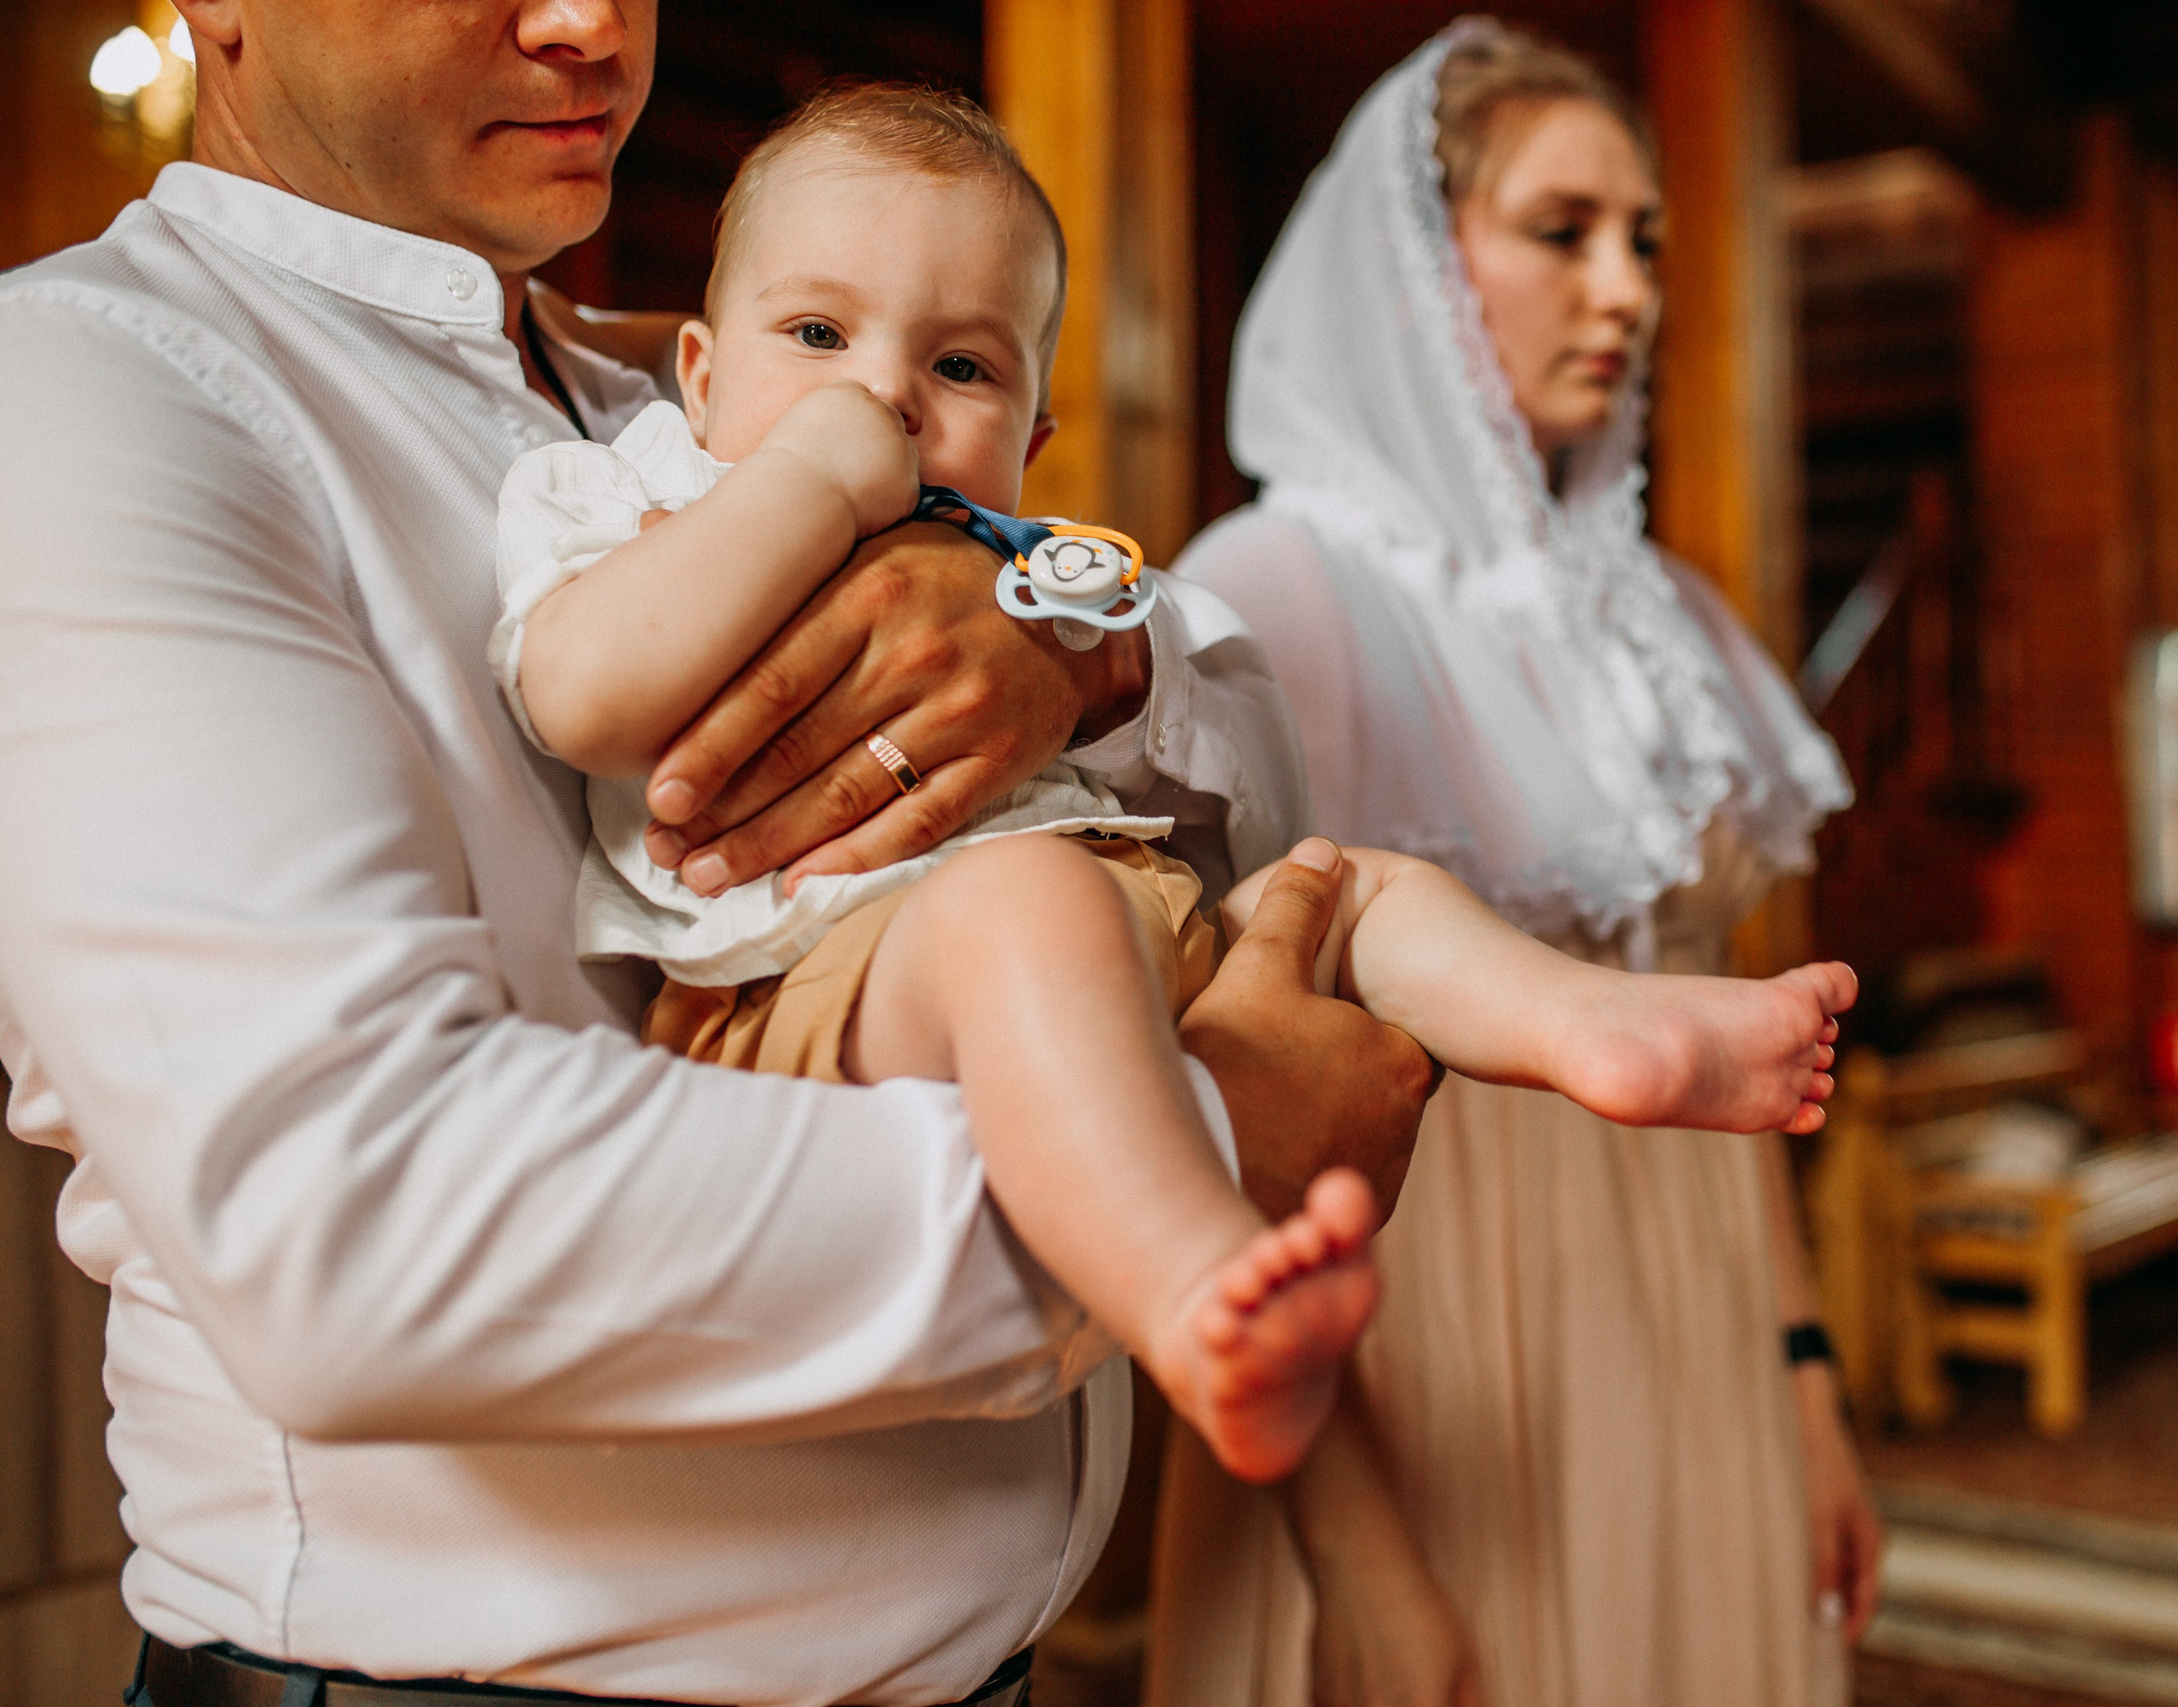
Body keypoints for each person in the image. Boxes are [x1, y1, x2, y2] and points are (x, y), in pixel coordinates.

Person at [0, 3, 1438, 1704]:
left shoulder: (744, 382)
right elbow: (356, 1223)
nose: (592, 22)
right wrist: (1201, 1146)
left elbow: (1264, 788)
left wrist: (1086, 659)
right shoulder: (86, 392)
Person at [496, 82, 1858, 1486]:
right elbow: (587, 694)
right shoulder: (635, 497)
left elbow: (1241, 757)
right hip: (809, 987)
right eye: (820, 335)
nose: (883, 395)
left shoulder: (1041, 580)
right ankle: (1197, 1289)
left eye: (962, 369)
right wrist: (816, 479)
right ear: (703, 377)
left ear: (1030, 443)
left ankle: (1597, 1032)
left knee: (1354, 889)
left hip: (1122, 928)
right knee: (1027, 907)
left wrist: (1078, 644)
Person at [1147, 21, 1882, 1707]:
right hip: (1424, 1350)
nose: (1624, 290)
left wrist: (1804, 1380)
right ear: (1414, 268)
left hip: (1692, 1323)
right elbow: (1221, 1127)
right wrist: (1358, 1545)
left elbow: (1746, 1042)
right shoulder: (1281, 588)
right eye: (1563, 232)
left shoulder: (1671, 623)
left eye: (1645, 243)